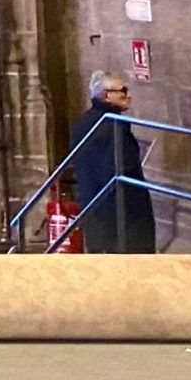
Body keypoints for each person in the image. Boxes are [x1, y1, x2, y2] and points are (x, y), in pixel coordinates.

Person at [60, 70, 156, 254]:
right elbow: (122, 166)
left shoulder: (85, 122)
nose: (128, 96)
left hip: (94, 205)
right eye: (123, 91)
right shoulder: (112, 125)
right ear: (106, 95)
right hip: (121, 214)